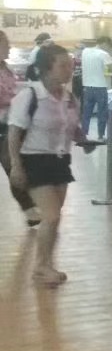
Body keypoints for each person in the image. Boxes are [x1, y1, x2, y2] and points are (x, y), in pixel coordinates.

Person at [8, 44, 95, 285]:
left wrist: (83, 139)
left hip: (60, 161)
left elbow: (72, 127)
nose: (69, 70)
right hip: (35, 161)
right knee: (51, 216)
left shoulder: (69, 98)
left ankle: (46, 264)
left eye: (70, 65)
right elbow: (14, 134)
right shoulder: (30, 96)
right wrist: (16, 165)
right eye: (63, 65)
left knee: (54, 218)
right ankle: (41, 267)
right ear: (47, 68)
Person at [0, 31, 40, 227]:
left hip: (9, 124)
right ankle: (30, 208)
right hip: (5, 121)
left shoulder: (5, 69)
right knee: (12, 165)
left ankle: (31, 209)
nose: (8, 48)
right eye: (5, 44)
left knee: (15, 166)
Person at [79, 39, 112, 140]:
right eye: (108, 47)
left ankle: (83, 134)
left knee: (86, 112)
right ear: (105, 43)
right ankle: (100, 135)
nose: (108, 49)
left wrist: (111, 58)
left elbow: (95, 61)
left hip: (87, 87)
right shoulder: (104, 54)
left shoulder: (85, 52)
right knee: (102, 112)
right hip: (100, 87)